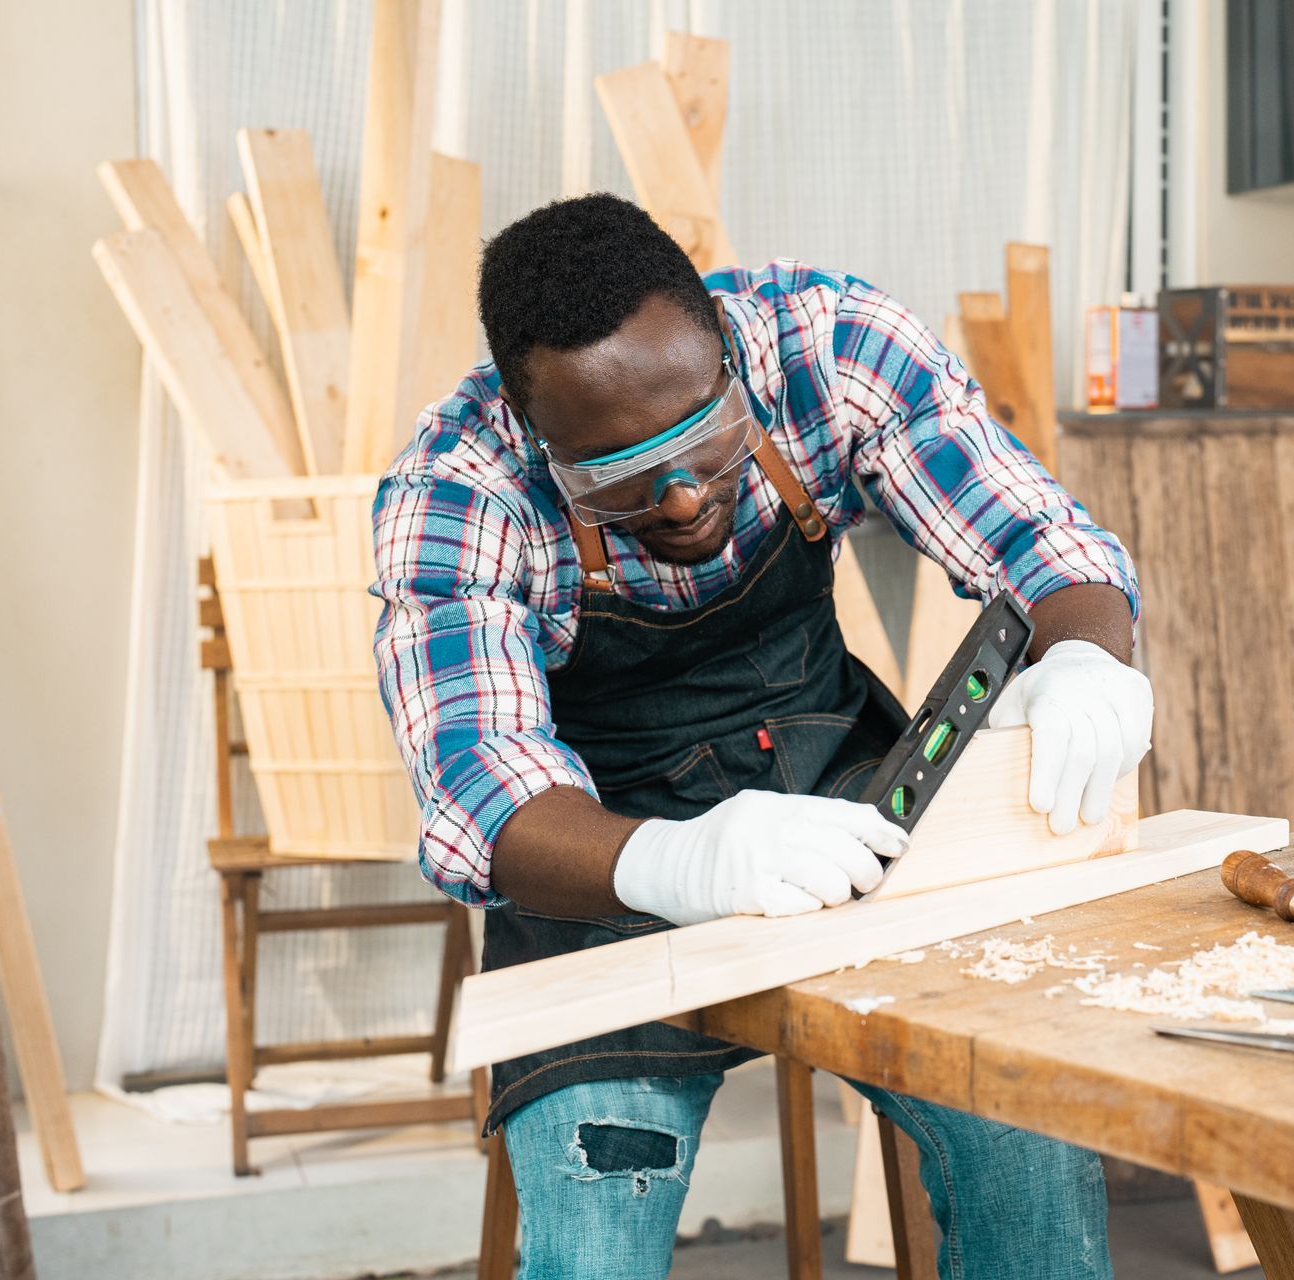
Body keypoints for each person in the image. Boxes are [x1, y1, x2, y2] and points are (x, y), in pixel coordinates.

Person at [371, 192, 1153, 1279]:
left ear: (730, 354)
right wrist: (676, 858)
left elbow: (1039, 540)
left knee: (1024, 1137)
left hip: (852, 819)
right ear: (533, 430)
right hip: (611, 872)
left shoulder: (828, 346)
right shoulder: (458, 488)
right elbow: (480, 793)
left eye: (708, 434)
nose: (687, 496)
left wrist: (1082, 655)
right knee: (594, 1246)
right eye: (619, 478)